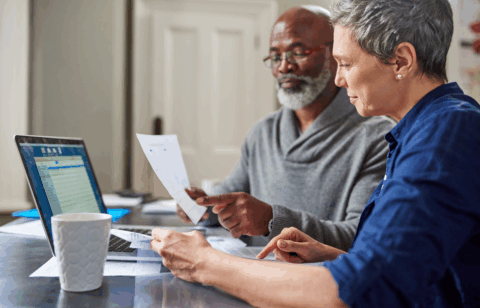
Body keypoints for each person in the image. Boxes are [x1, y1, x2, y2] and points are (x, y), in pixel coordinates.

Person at [150, 0, 480, 307]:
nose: (338, 78)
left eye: (346, 63)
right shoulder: (423, 129)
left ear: (401, 61)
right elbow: (406, 267)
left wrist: (205, 263)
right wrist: (331, 255)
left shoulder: (447, 132)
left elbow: (361, 289)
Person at [177, 5, 395, 251]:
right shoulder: (263, 132)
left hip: (317, 283)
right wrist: (203, 206)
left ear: (335, 56)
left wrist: (272, 220)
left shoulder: (378, 137)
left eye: (298, 52)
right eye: (275, 56)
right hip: (250, 273)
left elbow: (360, 234)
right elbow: (228, 202)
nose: (283, 67)